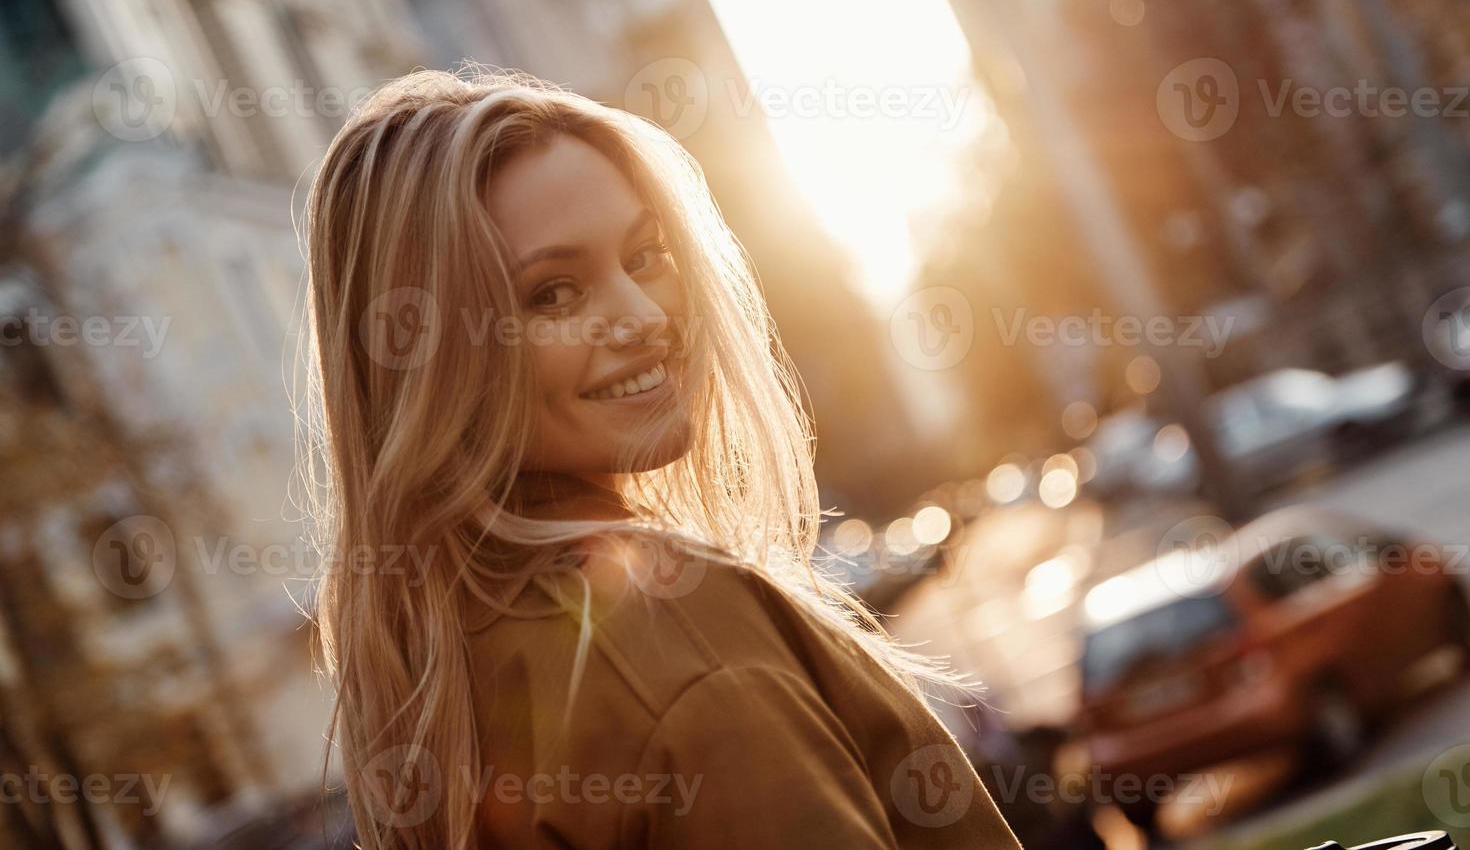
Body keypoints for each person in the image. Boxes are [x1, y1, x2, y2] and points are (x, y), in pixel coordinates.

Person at [300, 67, 1023, 849]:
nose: (644, 318)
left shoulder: (451, 660)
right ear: (429, 358)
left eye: (645, 254)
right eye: (552, 295)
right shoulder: (675, 631)